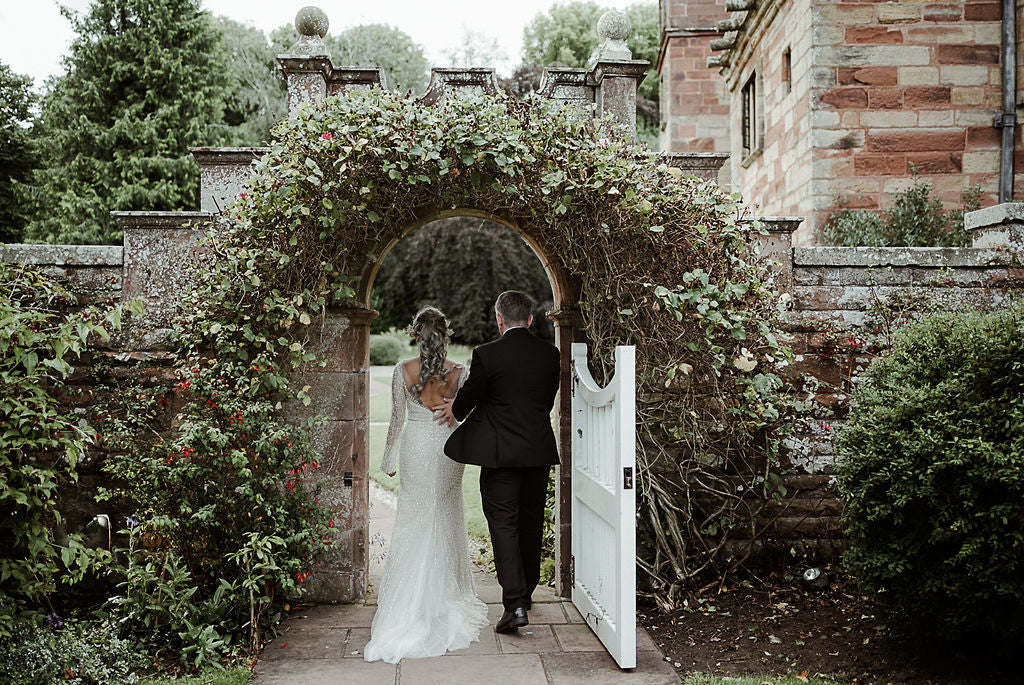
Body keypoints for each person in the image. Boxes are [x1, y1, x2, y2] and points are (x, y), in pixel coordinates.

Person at [363, 306, 488, 664]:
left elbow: (397, 420)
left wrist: (388, 458)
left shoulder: (403, 369)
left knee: (415, 517)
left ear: (416, 334)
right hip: (448, 447)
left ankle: (412, 599)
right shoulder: (458, 372)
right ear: (445, 334)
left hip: (415, 448)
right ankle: (446, 594)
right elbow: (468, 414)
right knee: (446, 513)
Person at [435, 290, 561, 634]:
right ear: (531, 319)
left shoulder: (488, 354)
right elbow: (545, 400)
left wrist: (455, 410)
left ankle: (515, 604)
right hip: (537, 452)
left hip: (500, 455)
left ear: (499, 319)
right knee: (532, 523)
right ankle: (527, 592)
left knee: (504, 524)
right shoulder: (551, 355)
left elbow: (472, 394)